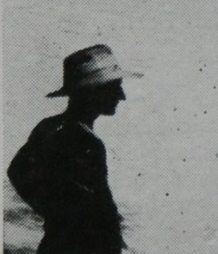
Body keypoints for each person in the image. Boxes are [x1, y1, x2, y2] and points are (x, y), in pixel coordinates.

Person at [7, 44, 142, 254]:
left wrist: (52, 214)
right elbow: (98, 213)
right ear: (91, 91)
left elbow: (16, 171)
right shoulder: (86, 144)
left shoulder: (49, 127)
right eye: (114, 87)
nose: (121, 96)